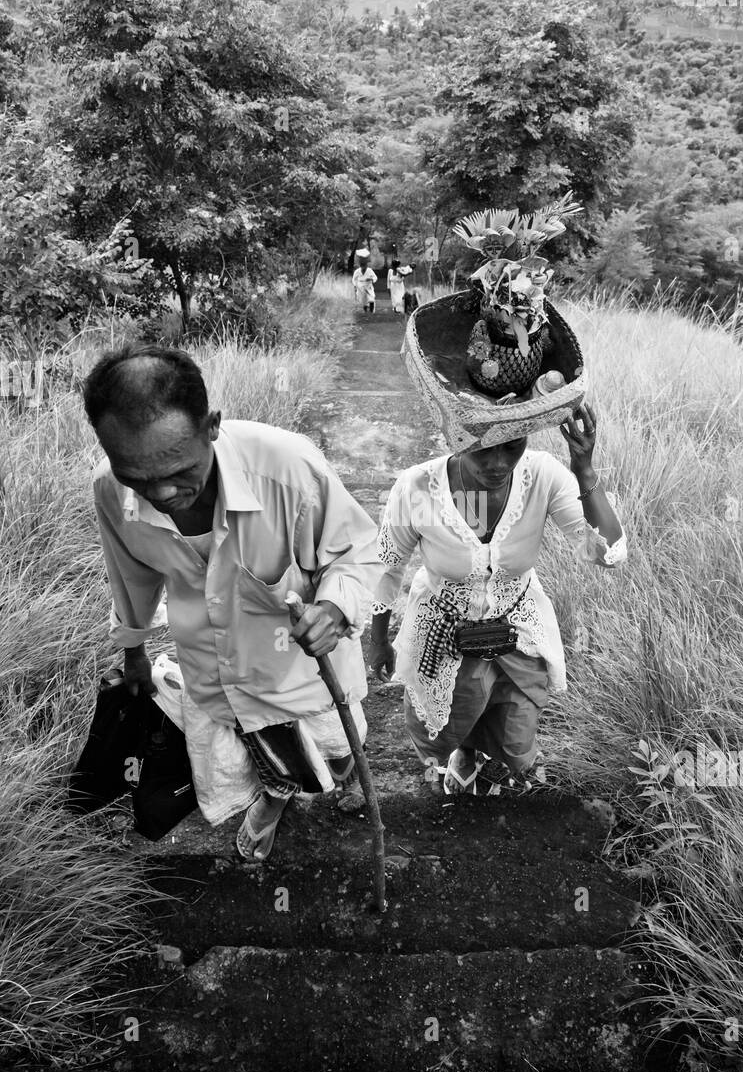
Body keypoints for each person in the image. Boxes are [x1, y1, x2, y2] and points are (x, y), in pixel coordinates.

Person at [82, 344, 384, 860]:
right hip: (211, 667)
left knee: (329, 756)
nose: (161, 493)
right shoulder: (112, 492)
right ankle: (273, 797)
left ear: (212, 426)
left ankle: (302, 784)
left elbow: (356, 550)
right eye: (136, 475)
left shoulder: (288, 467)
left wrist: (333, 609)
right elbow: (129, 577)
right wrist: (133, 652)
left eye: (179, 470)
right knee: (258, 753)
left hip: (299, 669)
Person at [369, 403, 626, 794]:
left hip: (517, 626)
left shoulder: (541, 476)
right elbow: (388, 566)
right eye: (483, 448)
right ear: (455, 435)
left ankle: (491, 755)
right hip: (444, 630)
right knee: (452, 719)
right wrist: (378, 640)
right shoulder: (419, 488)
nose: (498, 463)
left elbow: (607, 555)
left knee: (515, 732)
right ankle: (466, 753)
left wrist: (584, 470)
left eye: (512, 446)